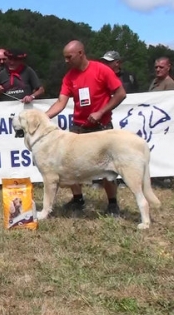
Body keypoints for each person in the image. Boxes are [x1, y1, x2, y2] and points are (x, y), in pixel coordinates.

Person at [45, 40, 126, 216]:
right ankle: (78, 199)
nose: (66, 61)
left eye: (69, 57)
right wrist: (44, 118)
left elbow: (121, 94)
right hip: (79, 127)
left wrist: (101, 111)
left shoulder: (101, 70)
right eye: (64, 57)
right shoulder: (69, 77)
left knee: (108, 167)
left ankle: (112, 204)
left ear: (81, 53)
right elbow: (61, 102)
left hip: (102, 127)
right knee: (69, 164)